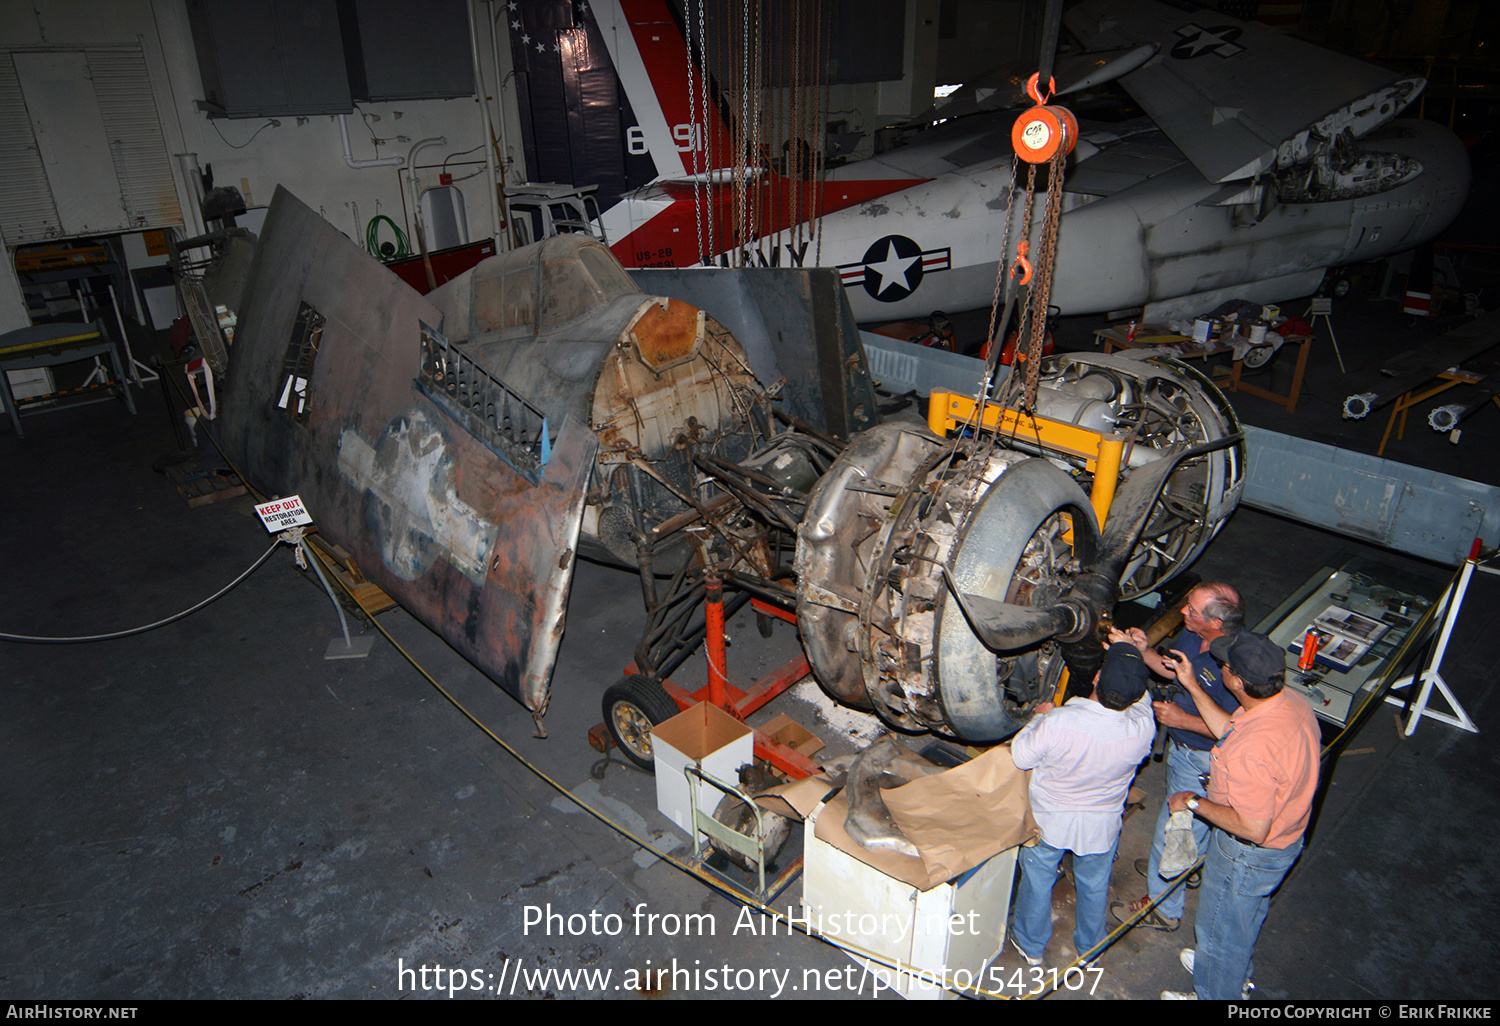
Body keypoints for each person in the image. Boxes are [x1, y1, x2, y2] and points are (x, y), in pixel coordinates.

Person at [1159, 630, 1321, 1001]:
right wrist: (1192, 687)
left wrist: (1193, 802)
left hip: (1246, 853)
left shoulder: (1256, 748)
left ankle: (1215, 988)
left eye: (1225, 666)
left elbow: (1252, 827)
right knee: (1243, 919)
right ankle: (1229, 974)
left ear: (1235, 681)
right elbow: (1230, 734)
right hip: (1285, 840)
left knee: (1219, 930)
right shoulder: (1286, 702)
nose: (1220, 668)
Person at [1008, 632, 1155, 966]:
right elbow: (1141, 699)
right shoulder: (1143, 729)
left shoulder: (1058, 722)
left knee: (1037, 879)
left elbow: (1020, 756)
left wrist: (1040, 716)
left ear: (1097, 678)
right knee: (1094, 885)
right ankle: (1090, 948)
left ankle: (1031, 947)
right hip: (1101, 827)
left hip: (1048, 822)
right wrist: (1134, 656)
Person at [1111, 582, 1244, 932]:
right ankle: (1184, 869)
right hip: (1183, 751)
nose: (1183, 612)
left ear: (1216, 624)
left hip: (1204, 762)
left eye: (1192, 610)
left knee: (1171, 834)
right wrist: (1142, 649)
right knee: (1187, 834)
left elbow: (1235, 729)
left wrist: (1182, 720)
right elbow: (1173, 670)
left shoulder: (1233, 666)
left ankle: (1164, 908)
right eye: (1187, 605)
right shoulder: (1193, 634)